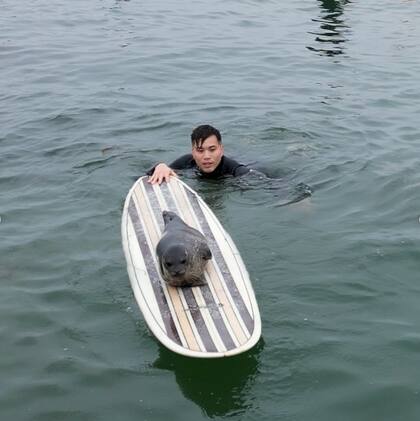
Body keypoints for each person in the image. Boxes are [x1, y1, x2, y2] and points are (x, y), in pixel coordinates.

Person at [147, 125, 250, 184]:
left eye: (212, 149)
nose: (206, 156)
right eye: (200, 150)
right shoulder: (187, 161)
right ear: (193, 152)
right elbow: (148, 176)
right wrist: (160, 166)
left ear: (221, 150)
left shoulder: (235, 170)